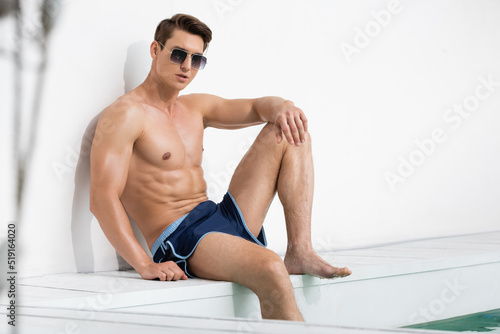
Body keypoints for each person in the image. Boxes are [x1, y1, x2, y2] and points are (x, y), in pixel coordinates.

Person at [90, 14, 351, 321]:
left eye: (197, 59)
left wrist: (282, 105)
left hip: (218, 217)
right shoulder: (125, 115)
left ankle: (301, 250)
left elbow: (255, 107)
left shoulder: (195, 107)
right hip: (180, 237)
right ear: (154, 50)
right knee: (270, 267)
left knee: (290, 128)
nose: (187, 66)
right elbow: (102, 198)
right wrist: (144, 264)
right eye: (178, 54)